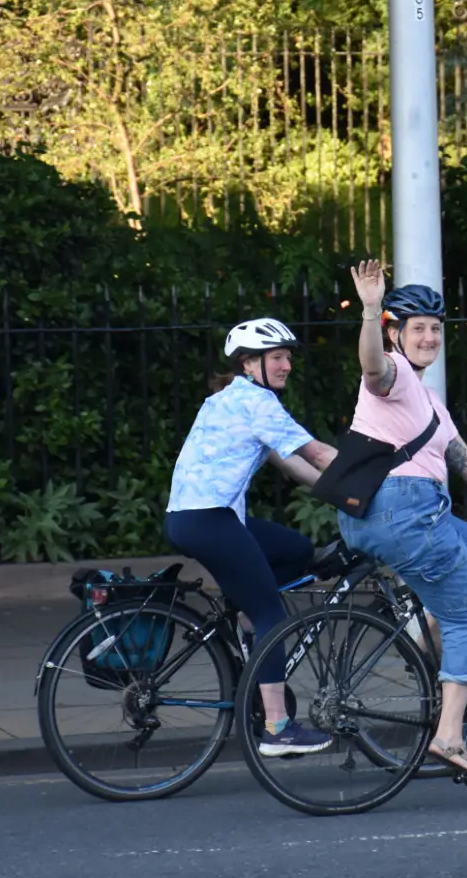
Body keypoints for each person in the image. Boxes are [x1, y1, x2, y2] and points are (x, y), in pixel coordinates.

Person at [335, 259, 467, 788]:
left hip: (376, 514)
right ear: (395, 333)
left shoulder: (428, 401)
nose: (429, 336)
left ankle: (422, 629)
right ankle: (448, 735)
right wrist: (369, 308)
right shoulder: (393, 374)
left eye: (436, 328)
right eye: (418, 329)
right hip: (404, 511)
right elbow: (370, 367)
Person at [163, 318, 340, 757]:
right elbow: (315, 453)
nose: (287, 366)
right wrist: (378, 480)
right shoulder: (256, 402)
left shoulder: (233, 398)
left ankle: (247, 627)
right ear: (249, 363)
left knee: (297, 551)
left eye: (288, 358)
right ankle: (278, 728)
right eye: (278, 358)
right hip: (211, 520)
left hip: (200, 517)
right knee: (272, 615)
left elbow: (294, 464)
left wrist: (343, 496)